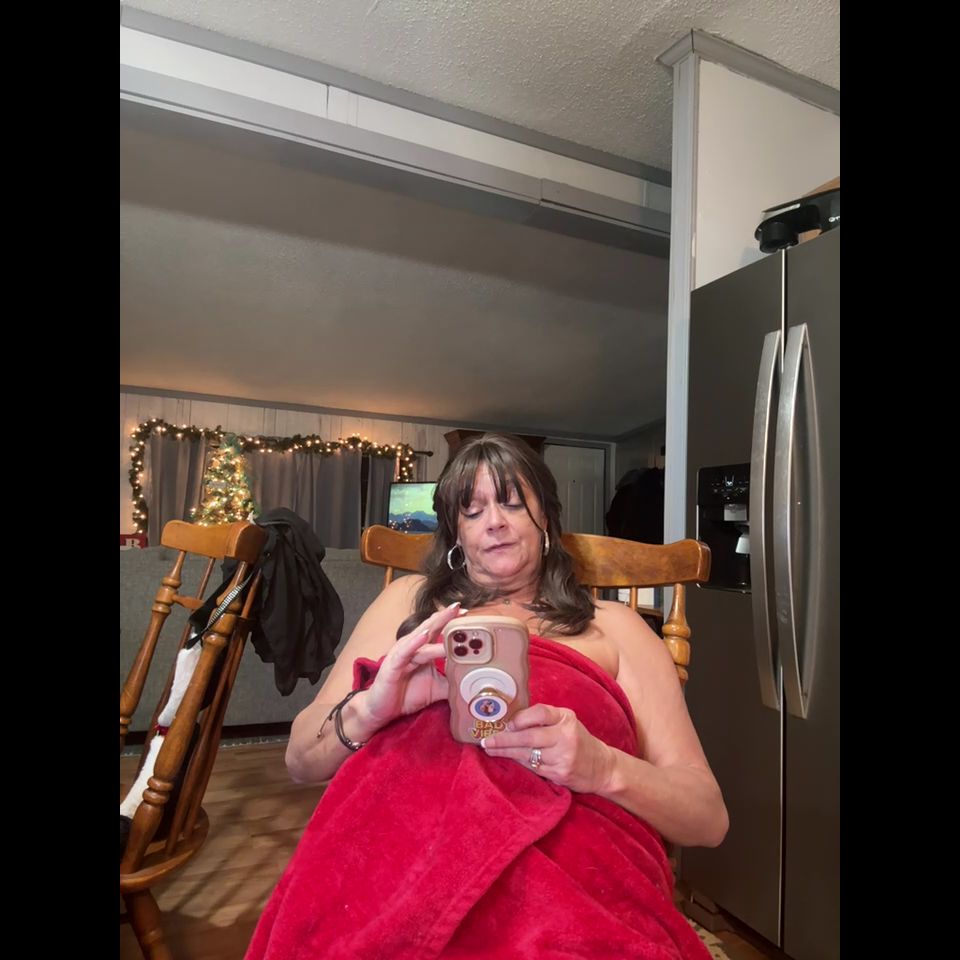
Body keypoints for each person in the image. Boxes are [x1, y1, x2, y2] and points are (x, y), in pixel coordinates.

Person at [247, 433, 728, 960]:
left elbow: (707, 818)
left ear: (546, 519)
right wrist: (369, 710)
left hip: (569, 876)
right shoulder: (407, 604)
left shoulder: (615, 628)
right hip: (394, 863)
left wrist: (603, 767)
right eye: (471, 511)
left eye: (512, 503)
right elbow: (301, 761)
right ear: (456, 534)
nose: (493, 522)